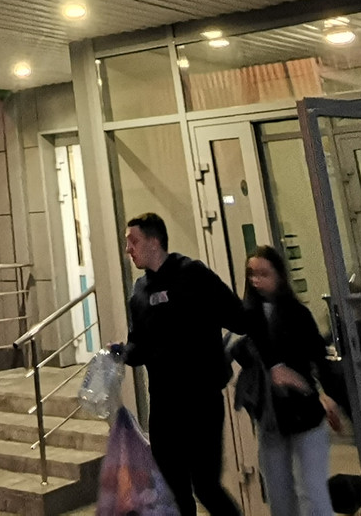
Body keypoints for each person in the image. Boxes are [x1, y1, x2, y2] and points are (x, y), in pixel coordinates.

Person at [109, 212, 247, 516]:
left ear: (154, 241)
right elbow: (139, 347)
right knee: (175, 492)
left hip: (201, 401)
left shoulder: (192, 275)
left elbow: (237, 317)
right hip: (164, 406)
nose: (128, 249)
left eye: (133, 241)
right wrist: (121, 352)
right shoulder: (139, 292)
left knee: (206, 486)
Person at [232, 246, 341, 516]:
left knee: (312, 493)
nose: (256, 280)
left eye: (264, 274)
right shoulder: (248, 316)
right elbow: (242, 353)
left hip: (304, 413)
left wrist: (329, 396)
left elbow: (318, 358)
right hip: (271, 417)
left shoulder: (296, 314)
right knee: (279, 495)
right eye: (252, 274)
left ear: (279, 275)